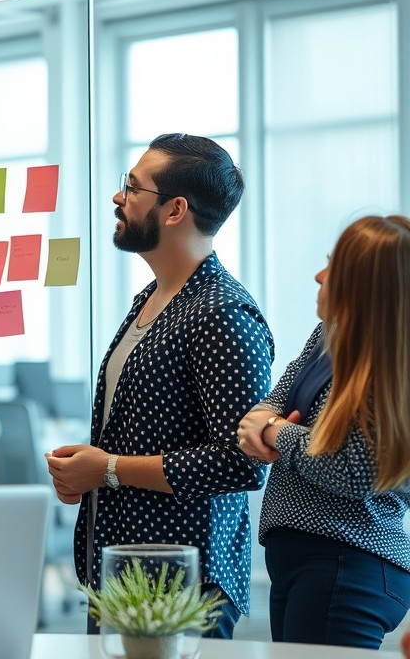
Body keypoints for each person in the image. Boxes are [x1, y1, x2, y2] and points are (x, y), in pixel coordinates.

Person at [45, 133, 274, 639]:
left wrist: (105, 470)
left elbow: (241, 461)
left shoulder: (222, 314)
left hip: (181, 588)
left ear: (174, 210)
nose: (117, 198)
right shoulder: (153, 297)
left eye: (131, 187)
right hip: (124, 577)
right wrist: (93, 468)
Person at [237, 215, 410, 649]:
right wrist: (268, 425)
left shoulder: (391, 371)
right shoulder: (327, 336)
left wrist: (275, 433)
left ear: (362, 286)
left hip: (346, 564)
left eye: (332, 266)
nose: (318, 274)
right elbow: (271, 405)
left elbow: (349, 470)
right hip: (310, 561)